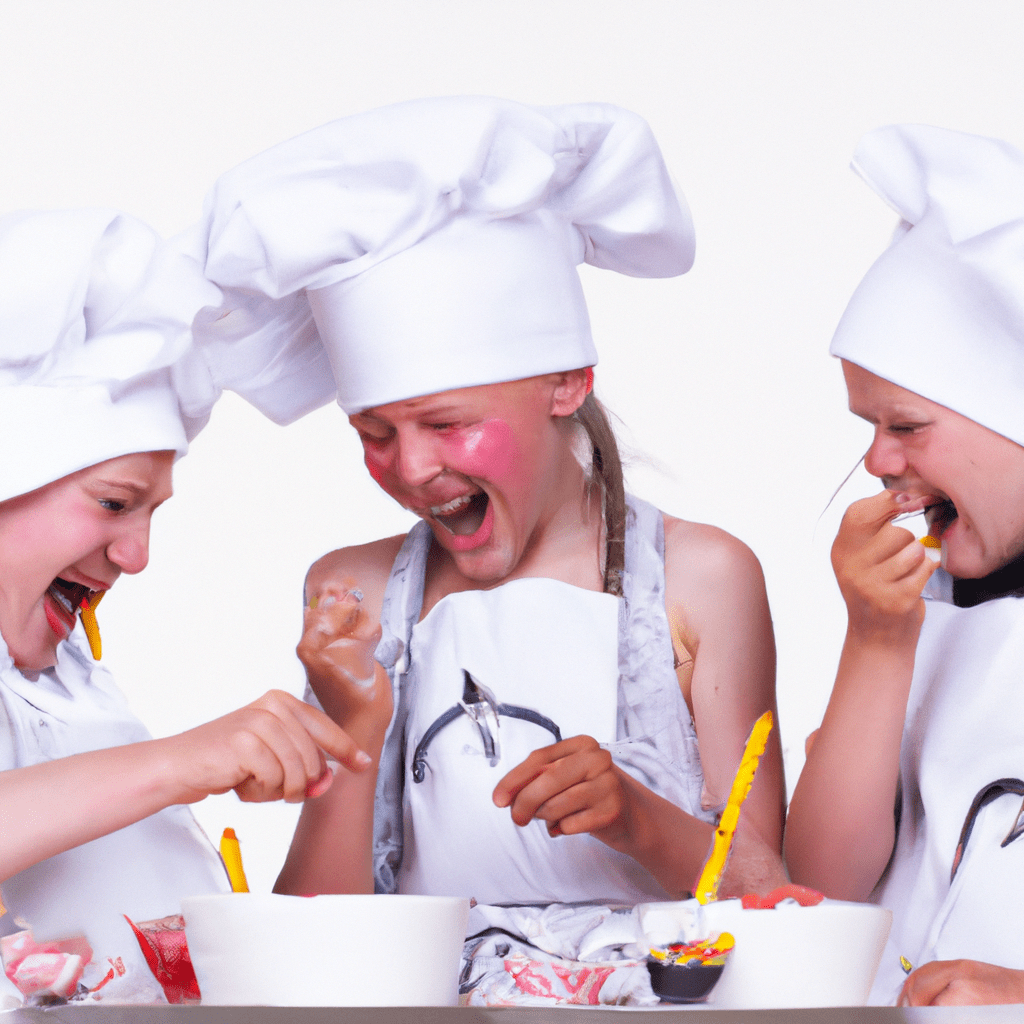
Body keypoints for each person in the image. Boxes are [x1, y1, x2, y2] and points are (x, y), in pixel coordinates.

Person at [193, 96, 785, 1003]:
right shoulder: (349, 591)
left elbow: (766, 895)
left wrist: (634, 814)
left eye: (446, 423)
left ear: (567, 382)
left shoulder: (705, 578)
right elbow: (315, 927)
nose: (411, 466)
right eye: (376, 430)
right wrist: (357, 729)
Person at [0, 209, 369, 1006]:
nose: (136, 557)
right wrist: (179, 762)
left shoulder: (74, 685)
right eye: (113, 502)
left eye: (150, 514)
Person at [785, 124, 1024, 1007]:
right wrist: (876, 643)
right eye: (867, 428)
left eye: (907, 425)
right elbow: (822, 888)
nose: (879, 462)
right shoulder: (931, 600)